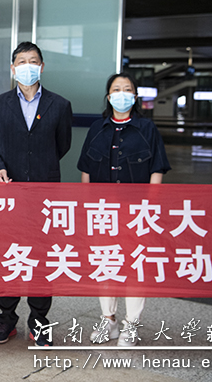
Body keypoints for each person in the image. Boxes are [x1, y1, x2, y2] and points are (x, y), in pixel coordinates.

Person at [0, 41, 72, 346]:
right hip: (9, 196)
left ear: (42, 67)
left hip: (46, 197)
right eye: (21, 61)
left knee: (43, 258)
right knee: (8, 256)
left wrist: (40, 168)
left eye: (33, 61)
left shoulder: (60, 105)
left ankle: (39, 320)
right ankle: (6, 319)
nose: (27, 66)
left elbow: (62, 146)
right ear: (13, 68)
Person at [77, 72, 170, 346]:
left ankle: (131, 325)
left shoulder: (147, 129)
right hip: (103, 212)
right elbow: (86, 171)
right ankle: (109, 321)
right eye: (116, 89)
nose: (122, 94)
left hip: (137, 212)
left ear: (135, 96)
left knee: (134, 267)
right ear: (108, 96)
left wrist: (149, 207)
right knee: (106, 264)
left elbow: (157, 170)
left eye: (127, 89)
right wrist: (87, 209)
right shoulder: (97, 128)